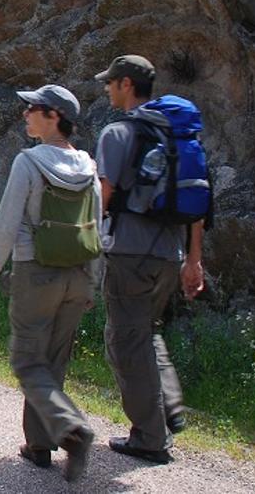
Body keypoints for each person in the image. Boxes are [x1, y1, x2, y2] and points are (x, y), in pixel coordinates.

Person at [0, 85, 99, 482]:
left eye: (32, 108)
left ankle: (71, 431)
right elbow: (97, 226)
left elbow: (8, 222)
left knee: (28, 359)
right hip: (78, 275)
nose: (25, 114)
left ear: (53, 116)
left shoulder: (28, 162)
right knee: (53, 360)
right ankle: (39, 445)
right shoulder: (88, 166)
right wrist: (93, 283)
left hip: (37, 271)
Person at [94, 55, 206, 464]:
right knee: (148, 330)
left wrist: (87, 247)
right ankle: (169, 406)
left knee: (125, 341)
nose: (107, 88)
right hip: (168, 255)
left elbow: (103, 197)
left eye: (110, 82)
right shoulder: (177, 136)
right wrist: (193, 261)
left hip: (129, 252)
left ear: (126, 84)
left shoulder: (118, 133)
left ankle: (150, 437)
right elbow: (198, 205)